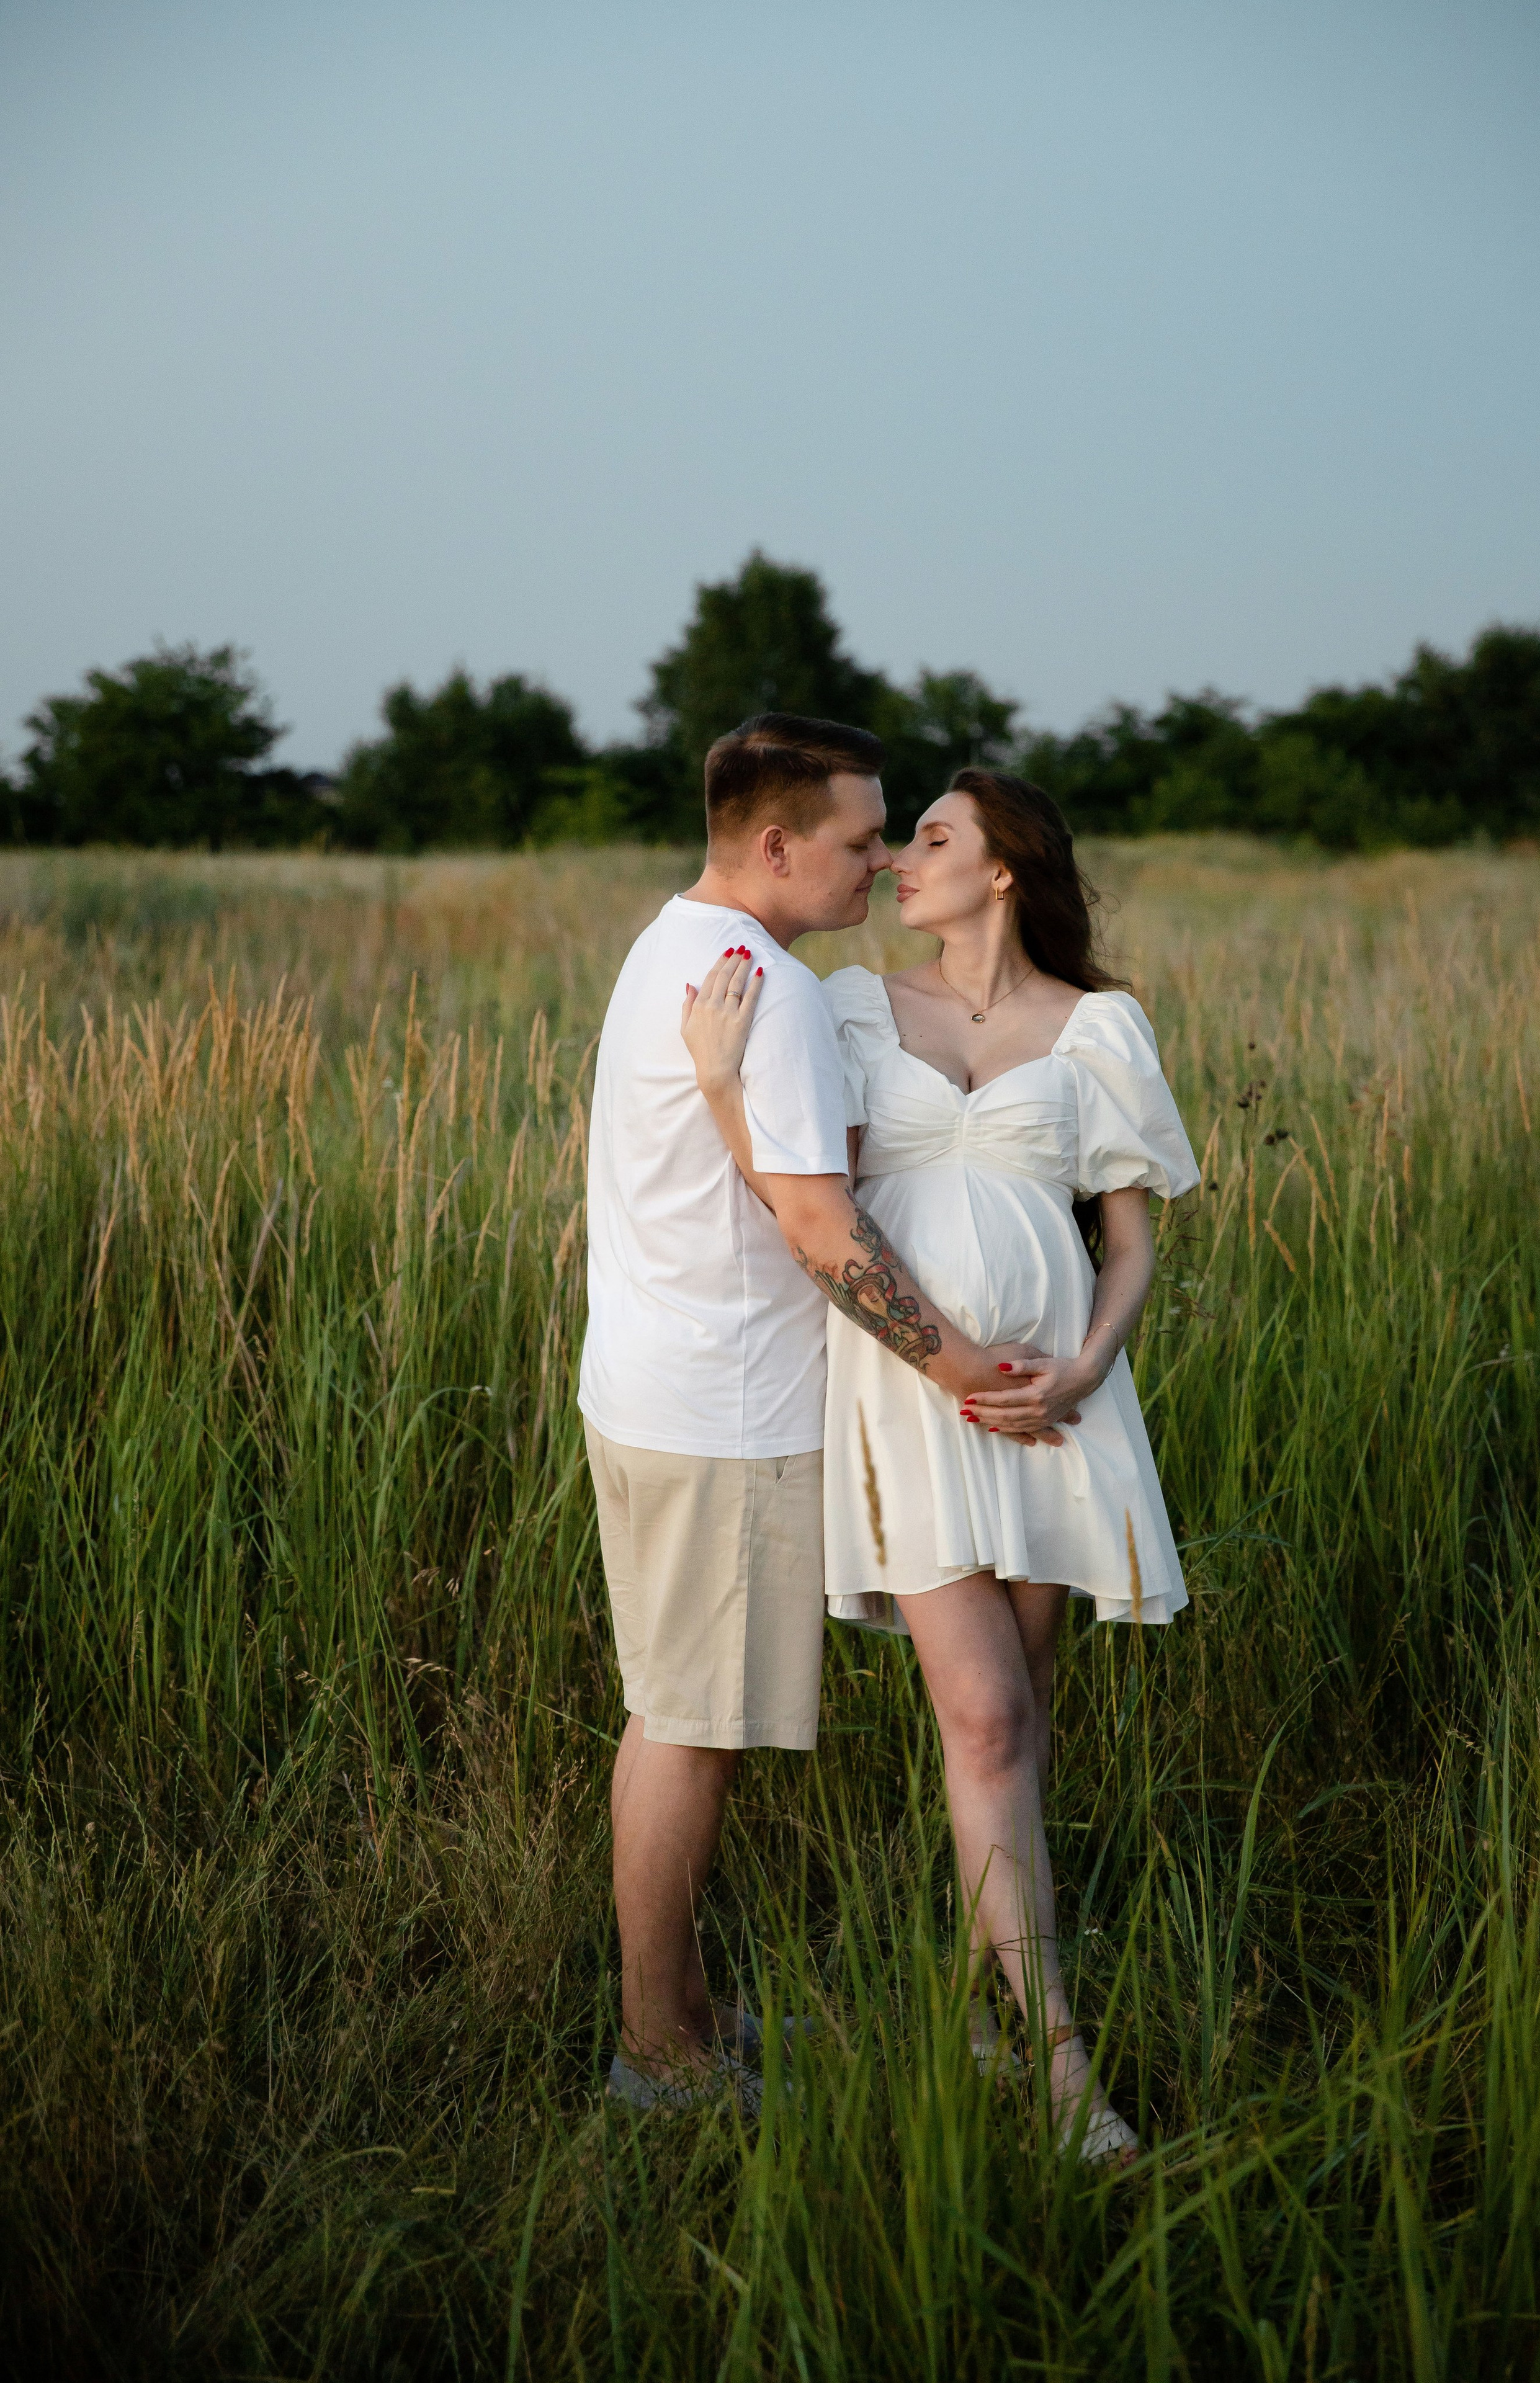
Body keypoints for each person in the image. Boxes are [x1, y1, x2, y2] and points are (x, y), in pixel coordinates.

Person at [682, 767, 1200, 2162]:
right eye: (899, 836)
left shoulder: (1097, 1027)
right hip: (919, 1400)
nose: (899, 859)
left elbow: (1133, 1238)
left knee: (1017, 1724)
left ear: (1006, 867)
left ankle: (979, 2016)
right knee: (980, 1720)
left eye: (931, 838)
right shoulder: (855, 1010)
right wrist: (729, 1092)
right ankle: (1059, 2066)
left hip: (1057, 1407)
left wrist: (1086, 1367)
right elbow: (814, 1199)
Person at [580, 718, 1041, 2113]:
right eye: (858, 837)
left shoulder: (674, 944)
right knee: (688, 1725)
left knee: (679, 1709)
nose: (882, 857)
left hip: (662, 1383)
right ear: (773, 845)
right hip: (719, 1408)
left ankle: (688, 2027)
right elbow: (818, 1229)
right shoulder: (763, 987)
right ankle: (659, 2061)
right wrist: (957, 1361)